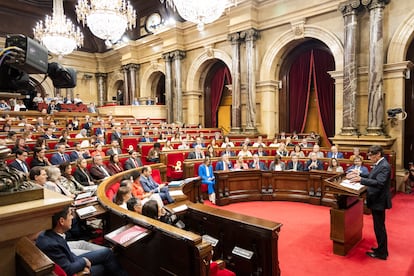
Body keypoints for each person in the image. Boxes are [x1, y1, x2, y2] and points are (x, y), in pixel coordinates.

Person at [36, 206, 127, 276]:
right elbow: (67, 269)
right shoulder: (51, 244)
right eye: (70, 215)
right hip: (73, 272)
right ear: (61, 221)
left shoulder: (51, 234)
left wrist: (82, 261)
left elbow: (68, 254)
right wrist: (83, 262)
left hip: (72, 261)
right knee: (104, 266)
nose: (72, 217)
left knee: (107, 253)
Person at [346, 145, 392, 260]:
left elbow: (379, 183)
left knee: (379, 227)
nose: (369, 157)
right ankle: (381, 249)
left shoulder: (385, 166)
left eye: (371, 155)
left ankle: (382, 253)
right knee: (378, 226)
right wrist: (359, 175)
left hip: (379, 200)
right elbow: (372, 176)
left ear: (378, 155)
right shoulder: (380, 164)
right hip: (376, 199)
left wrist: (361, 180)